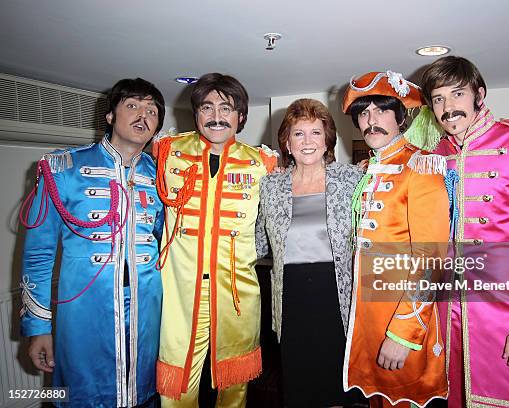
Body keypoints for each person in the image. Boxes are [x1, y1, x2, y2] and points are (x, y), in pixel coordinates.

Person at [421, 55, 509, 407]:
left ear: (479, 94)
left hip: (506, 318)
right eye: (438, 99)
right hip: (447, 317)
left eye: (457, 94)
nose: (448, 107)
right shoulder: (434, 155)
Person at [20, 78, 166, 407]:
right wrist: (38, 327)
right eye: (132, 106)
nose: (143, 115)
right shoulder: (62, 170)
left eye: (152, 111)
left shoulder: (161, 177)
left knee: (146, 393)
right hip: (84, 315)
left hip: (148, 315)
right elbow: (38, 256)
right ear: (110, 116)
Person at [154, 73, 276, 407]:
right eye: (207, 107)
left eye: (226, 107)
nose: (216, 116)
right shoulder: (167, 152)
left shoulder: (262, 163)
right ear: (195, 114)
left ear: (241, 116)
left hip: (237, 290)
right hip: (180, 289)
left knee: (234, 380)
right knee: (175, 381)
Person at [342, 71, 450, 407]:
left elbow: (431, 260)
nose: (371, 121)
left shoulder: (420, 168)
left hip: (402, 328)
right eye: (363, 113)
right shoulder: (368, 169)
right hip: (368, 323)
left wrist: (403, 334)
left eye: (381, 110)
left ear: (401, 117)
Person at [255, 98, 365, 407]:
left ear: (327, 140)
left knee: (337, 386)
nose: (307, 142)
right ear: (286, 142)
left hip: (337, 296)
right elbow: (258, 242)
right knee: (299, 386)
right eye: (298, 133)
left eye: (315, 133)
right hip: (291, 297)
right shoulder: (270, 185)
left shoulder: (352, 179)